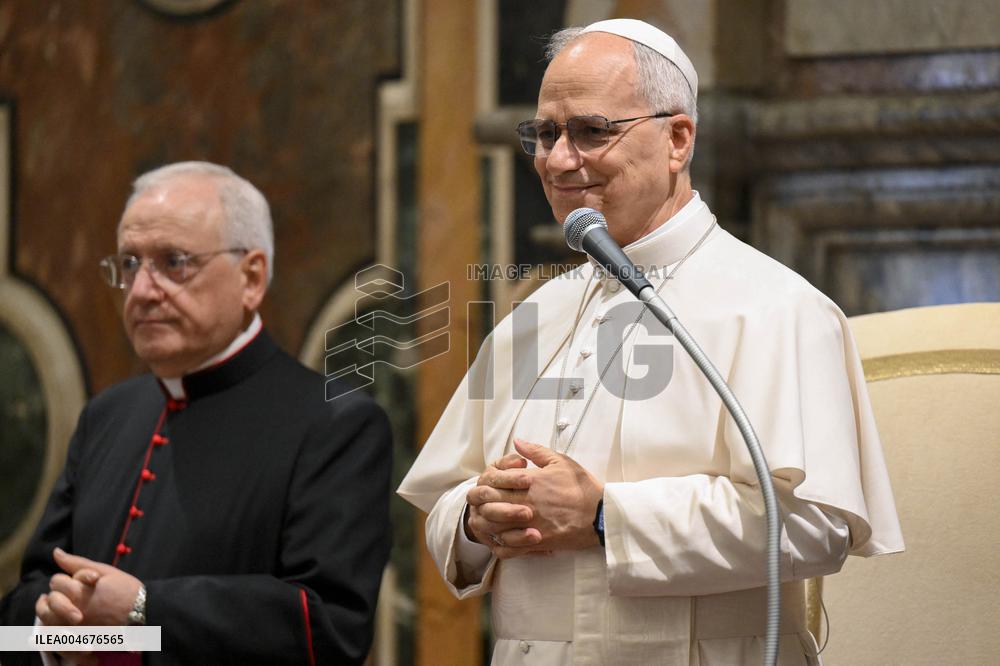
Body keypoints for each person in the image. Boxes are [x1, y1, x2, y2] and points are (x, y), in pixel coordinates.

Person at [398, 19, 904, 665]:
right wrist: (477, 517)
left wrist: (606, 517)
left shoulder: (776, 307)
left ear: (677, 139)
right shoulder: (535, 313)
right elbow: (447, 496)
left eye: (591, 131)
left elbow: (818, 524)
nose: (557, 159)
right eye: (545, 133)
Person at [0, 162, 393, 665]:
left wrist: (144, 609)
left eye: (174, 262)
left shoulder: (337, 424)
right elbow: (22, 615)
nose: (142, 291)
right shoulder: (107, 415)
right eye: (129, 264)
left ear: (251, 277)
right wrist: (62, 638)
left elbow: (330, 632)